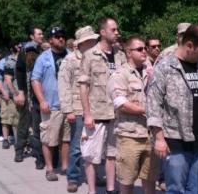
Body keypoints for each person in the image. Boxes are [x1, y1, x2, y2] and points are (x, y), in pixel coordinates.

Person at [148, 24, 198, 194]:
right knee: (176, 189)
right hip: (176, 143)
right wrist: (159, 138)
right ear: (190, 45)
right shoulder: (164, 67)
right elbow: (154, 104)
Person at [79, 17, 127, 194]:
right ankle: (92, 190)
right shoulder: (90, 55)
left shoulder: (120, 55)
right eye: (113, 30)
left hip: (117, 114)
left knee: (112, 154)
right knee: (91, 155)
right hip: (97, 114)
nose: (117, 32)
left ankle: (110, 189)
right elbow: (83, 86)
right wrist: (87, 114)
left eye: (117, 29)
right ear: (103, 32)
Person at [108, 36, 159, 194]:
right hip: (130, 136)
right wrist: (149, 110)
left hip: (151, 135)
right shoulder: (119, 75)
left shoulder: (152, 72)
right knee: (127, 181)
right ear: (128, 52)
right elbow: (121, 103)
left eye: (145, 48)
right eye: (139, 49)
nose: (144, 51)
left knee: (150, 179)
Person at [58, 25, 98, 192]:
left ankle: (95, 177)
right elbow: (63, 85)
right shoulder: (70, 60)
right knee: (76, 146)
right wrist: (68, 109)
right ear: (82, 43)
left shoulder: (97, 57)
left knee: (96, 146)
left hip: (96, 107)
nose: (93, 43)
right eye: (89, 41)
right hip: (77, 108)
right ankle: (73, 177)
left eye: (93, 40)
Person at [32, 26, 71, 181]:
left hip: (68, 106)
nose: (61, 38)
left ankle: (65, 166)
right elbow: (35, 80)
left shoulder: (71, 55)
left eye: (63, 36)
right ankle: (49, 168)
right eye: (57, 36)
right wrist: (42, 101)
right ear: (51, 40)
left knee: (66, 138)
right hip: (51, 105)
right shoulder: (43, 58)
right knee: (48, 139)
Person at [13, 26, 45, 169]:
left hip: (40, 92)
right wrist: (21, 92)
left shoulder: (43, 50)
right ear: (32, 36)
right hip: (28, 92)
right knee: (24, 123)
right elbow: (19, 71)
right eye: (39, 34)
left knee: (39, 126)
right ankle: (19, 150)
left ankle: (39, 154)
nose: (41, 35)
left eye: (42, 33)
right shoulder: (25, 50)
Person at [0, 42, 20, 149]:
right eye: (18, 46)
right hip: (7, 95)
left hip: (19, 94)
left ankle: (19, 141)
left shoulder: (24, 59)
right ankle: (5, 139)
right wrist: (3, 92)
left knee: (17, 120)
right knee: (5, 118)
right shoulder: (4, 62)